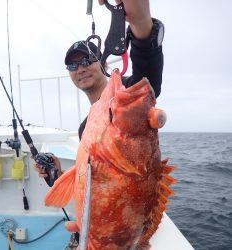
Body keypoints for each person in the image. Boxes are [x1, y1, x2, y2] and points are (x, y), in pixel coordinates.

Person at [34, 0, 164, 249]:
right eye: (72, 65)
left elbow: (148, 72)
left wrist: (140, 23)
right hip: (95, 234)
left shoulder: (128, 95)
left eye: (86, 60)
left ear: (103, 64)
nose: (80, 68)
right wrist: (58, 175)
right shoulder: (89, 125)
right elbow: (95, 183)